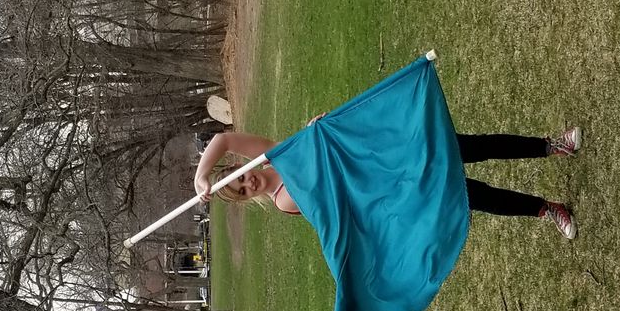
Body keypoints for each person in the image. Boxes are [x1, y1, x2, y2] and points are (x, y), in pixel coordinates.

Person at [194, 123, 582, 238]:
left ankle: (551, 146)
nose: (249, 184)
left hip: (383, 151)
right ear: (246, 199)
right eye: (242, 192)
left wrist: (202, 175)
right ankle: (546, 209)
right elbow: (330, 189)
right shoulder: (283, 200)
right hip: (388, 186)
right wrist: (314, 141)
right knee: (471, 196)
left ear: (244, 168)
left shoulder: (274, 152)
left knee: (472, 147)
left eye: (241, 178)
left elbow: (222, 140)